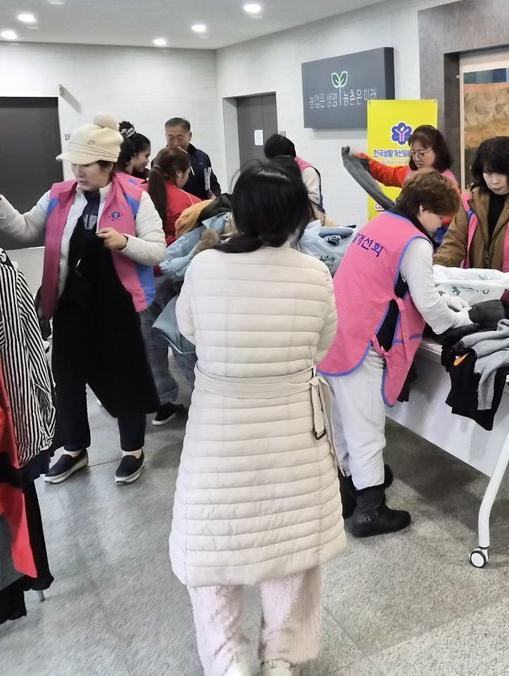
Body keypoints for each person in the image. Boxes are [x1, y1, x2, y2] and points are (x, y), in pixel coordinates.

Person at [171, 159, 343, 676]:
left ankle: (229, 661)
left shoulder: (204, 267)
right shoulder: (315, 274)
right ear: (296, 217)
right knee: (292, 545)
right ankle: (282, 658)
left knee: (214, 545)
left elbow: (189, 329)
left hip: (218, 428)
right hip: (292, 427)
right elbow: (322, 345)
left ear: (238, 212)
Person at [0, 113, 165, 485]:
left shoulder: (136, 197)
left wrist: (124, 242)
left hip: (118, 307)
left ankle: (133, 449)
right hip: (70, 303)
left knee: (124, 377)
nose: (78, 171)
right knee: (68, 378)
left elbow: (157, 251)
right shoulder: (59, 195)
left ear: (107, 165)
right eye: (74, 164)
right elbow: (26, 229)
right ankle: (74, 448)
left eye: (86, 164)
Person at [318, 172, 472, 537]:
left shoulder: (380, 224)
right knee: (367, 428)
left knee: (341, 420)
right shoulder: (416, 243)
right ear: (421, 208)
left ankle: (351, 490)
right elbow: (429, 307)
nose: (442, 224)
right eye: (439, 216)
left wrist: (440, 299)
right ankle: (370, 511)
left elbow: (392, 281)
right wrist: (459, 319)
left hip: (334, 333)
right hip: (362, 343)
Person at [434, 136, 509, 316]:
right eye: (488, 173)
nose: (494, 181)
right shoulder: (469, 202)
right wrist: (439, 267)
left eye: (501, 173)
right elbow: (454, 243)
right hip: (478, 299)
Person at [141, 146, 201, 427]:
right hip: (173, 279)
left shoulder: (137, 195)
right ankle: (201, 396)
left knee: (149, 340)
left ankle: (161, 402)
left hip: (141, 276)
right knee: (181, 337)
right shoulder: (190, 202)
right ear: (179, 172)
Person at [352, 125, 459, 188]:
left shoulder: (448, 182)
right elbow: (384, 173)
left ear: (437, 151)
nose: (416, 158)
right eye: (413, 153)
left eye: (422, 153)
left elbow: (453, 214)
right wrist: (360, 158)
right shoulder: (408, 173)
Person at [264, 134, 327, 222]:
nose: (272, 164)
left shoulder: (307, 171)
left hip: (310, 222)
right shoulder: (273, 171)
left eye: (274, 160)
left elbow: (313, 204)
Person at [147, 146, 201, 247]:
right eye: (188, 173)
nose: (187, 177)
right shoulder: (193, 203)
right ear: (179, 172)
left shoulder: (136, 193)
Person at [165, 116, 221, 200]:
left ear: (189, 136)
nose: (175, 143)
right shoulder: (161, 161)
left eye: (180, 138)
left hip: (201, 205)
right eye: (171, 138)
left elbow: (212, 184)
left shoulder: (202, 157)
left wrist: (215, 198)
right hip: (174, 206)